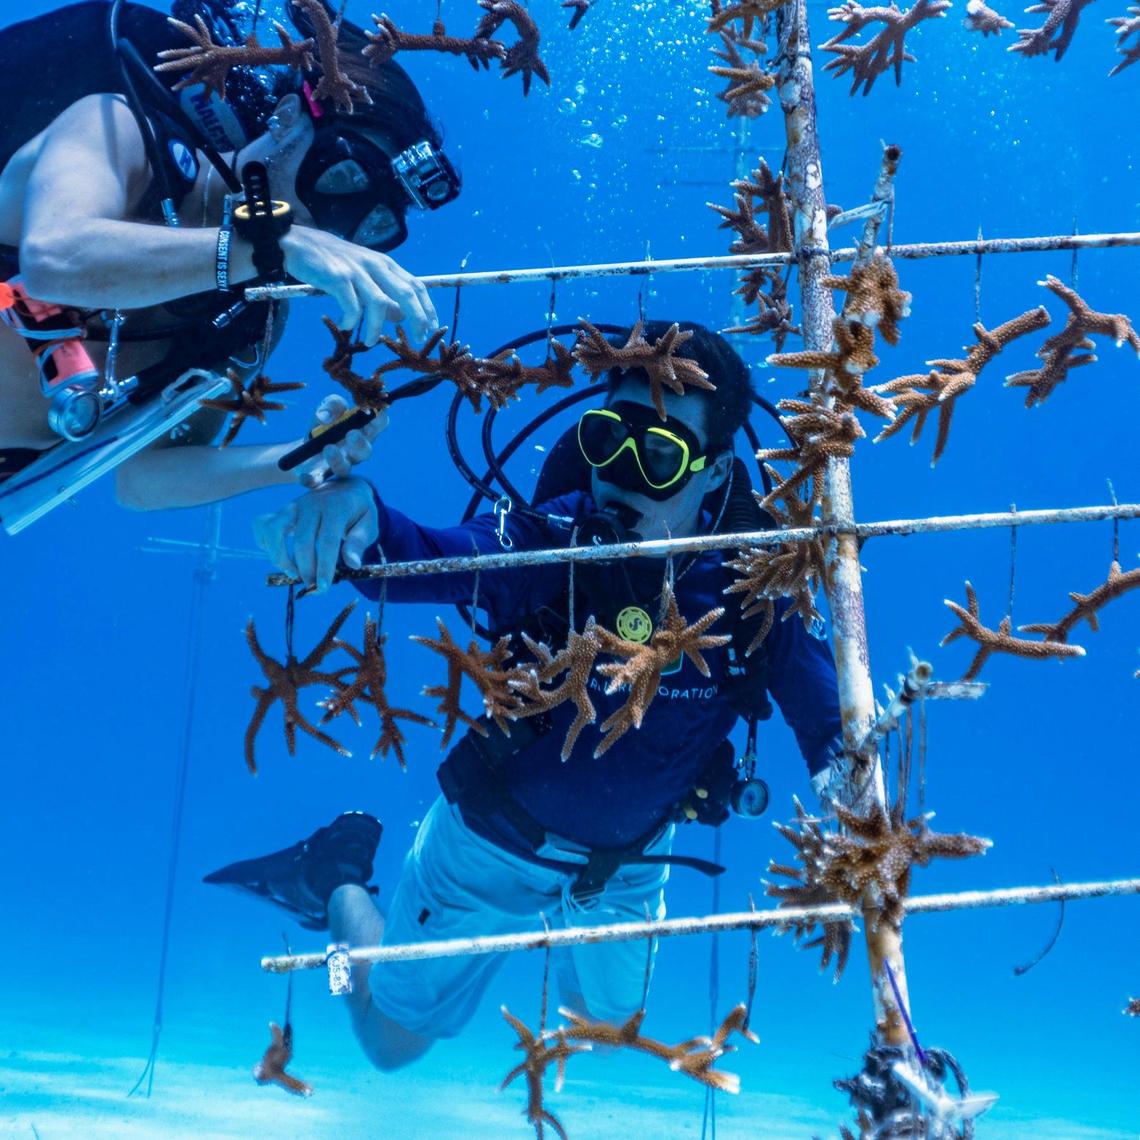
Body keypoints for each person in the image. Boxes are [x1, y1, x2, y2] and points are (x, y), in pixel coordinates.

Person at [207, 320, 844, 1071]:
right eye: (608, 441)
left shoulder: (750, 587)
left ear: (712, 473)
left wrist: (854, 797)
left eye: (662, 457)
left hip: (630, 863)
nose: (621, 477)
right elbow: (424, 554)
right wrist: (361, 524)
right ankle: (337, 886)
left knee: (603, 1029)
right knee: (387, 1041)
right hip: (489, 847)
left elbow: (826, 719)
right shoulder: (547, 538)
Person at [0, 0, 452, 528]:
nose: (333, 226)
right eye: (341, 177)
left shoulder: (251, 318)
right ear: (287, 120)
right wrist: (264, 246)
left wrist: (301, 455)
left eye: (368, 225)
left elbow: (141, 476)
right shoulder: (120, 131)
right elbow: (56, 257)